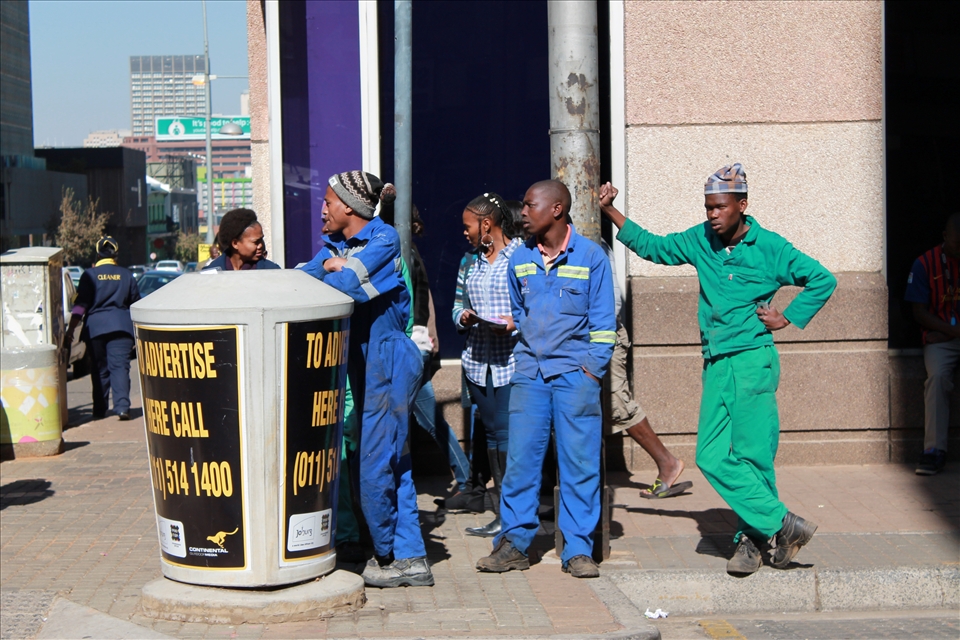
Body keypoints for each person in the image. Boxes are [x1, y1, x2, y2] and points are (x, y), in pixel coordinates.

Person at [600, 164, 836, 575]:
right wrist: (611, 211)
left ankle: (754, 540)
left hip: (752, 361)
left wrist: (788, 317)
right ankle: (781, 525)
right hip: (716, 362)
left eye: (720, 207)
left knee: (754, 456)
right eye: (708, 207)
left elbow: (821, 279)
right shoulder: (700, 240)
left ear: (742, 206)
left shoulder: (771, 248)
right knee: (711, 456)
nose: (712, 215)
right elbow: (655, 246)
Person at [476, 180, 616, 579]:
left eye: (529, 206)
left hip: (576, 377)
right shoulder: (520, 257)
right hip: (530, 376)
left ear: (556, 210)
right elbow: (519, 312)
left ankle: (577, 550)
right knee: (520, 463)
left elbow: (605, 325)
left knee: (579, 464)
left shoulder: (592, 257)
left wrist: (591, 372)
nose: (522, 212)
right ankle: (515, 543)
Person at [299, 170, 432, 588]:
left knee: (376, 464)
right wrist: (329, 265)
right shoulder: (333, 247)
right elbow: (301, 279)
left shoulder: (385, 239)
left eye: (328, 201)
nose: (322, 208)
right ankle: (409, 558)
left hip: (389, 362)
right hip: (366, 364)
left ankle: (389, 554)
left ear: (349, 207)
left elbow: (345, 285)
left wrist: (334, 269)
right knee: (392, 462)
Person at [379, 193, 472, 497]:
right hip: (417, 344)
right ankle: (467, 479)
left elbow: (413, 307)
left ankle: (467, 481)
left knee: (411, 419)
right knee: (427, 417)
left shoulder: (402, 254)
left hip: (410, 345)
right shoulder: (409, 251)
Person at [454, 192, 524, 538]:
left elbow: (534, 307)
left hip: (511, 361)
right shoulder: (469, 262)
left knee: (509, 438)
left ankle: (514, 516)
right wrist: (464, 316)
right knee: (492, 437)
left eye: (468, 226)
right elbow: (456, 306)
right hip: (478, 361)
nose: (464, 233)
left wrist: (514, 322)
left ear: (487, 224)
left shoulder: (521, 256)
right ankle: (499, 513)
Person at [600, 239, 690, 498]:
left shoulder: (591, 241)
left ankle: (668, 462)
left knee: (618, 406)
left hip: (605, 338)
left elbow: (611, 302)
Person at [905, 213, 960, 476]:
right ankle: (933, 451)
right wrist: (949, 331)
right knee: (937, 378)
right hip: (942, 337)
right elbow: (919, 312)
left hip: (946, 333)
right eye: (956, 245)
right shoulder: (924, 264)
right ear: (945, 237)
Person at [65, 236, 140, 420]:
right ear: (116, 254)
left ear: (97, 254)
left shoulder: (89, 275)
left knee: (99, 369)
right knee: (120, 367)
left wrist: (71, 330)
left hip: (96, 329)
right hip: (121, 329)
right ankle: (122, 407)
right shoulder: (126, 275)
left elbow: (80, 306)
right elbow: (136, 304)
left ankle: (99, 410)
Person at [202, 208, 281, 271]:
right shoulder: (210, 274)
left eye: (261, 240)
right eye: (256, 242)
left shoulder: (272, 271)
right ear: (235, 243)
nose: (260, 245)